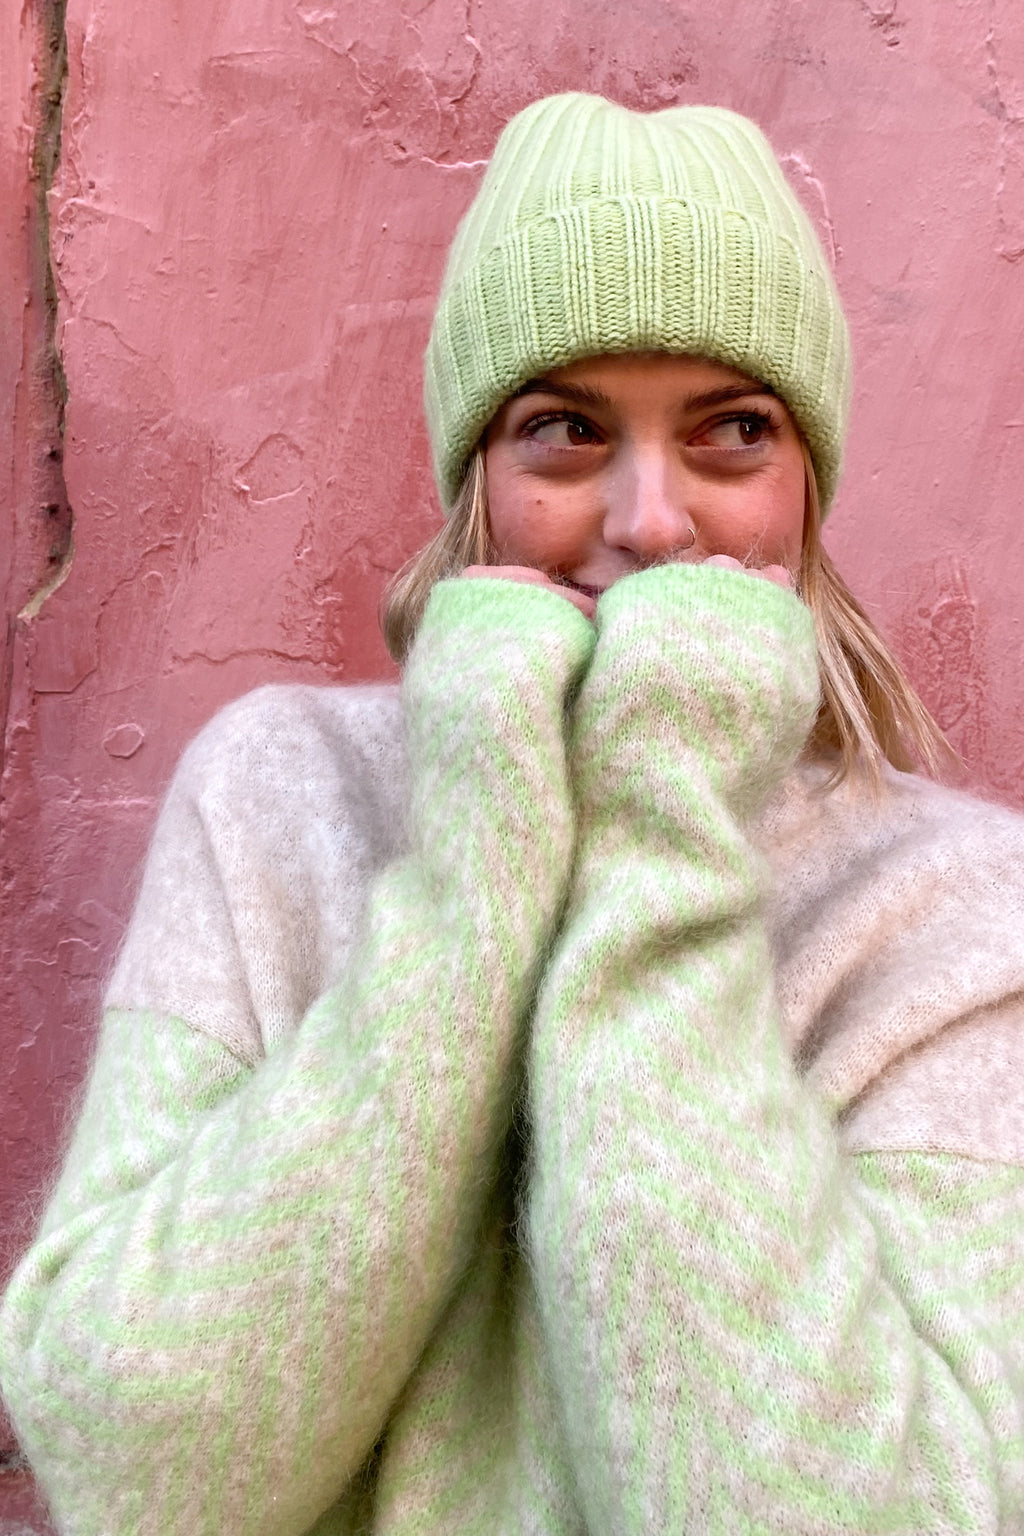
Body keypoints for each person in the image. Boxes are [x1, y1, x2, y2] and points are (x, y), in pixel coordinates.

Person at [3, 91, 1024, 1536]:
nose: (651, 521)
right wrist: (475, 877)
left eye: (734, 431)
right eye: (564, 431)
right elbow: (141, 1472)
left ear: (810, 484)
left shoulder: (963, 920)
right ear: (476, 476)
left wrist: (660, 828)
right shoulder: (280, 795)